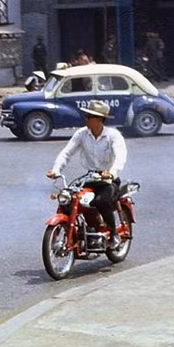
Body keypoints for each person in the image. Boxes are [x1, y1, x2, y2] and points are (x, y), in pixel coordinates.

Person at [46, 101, 127, 247]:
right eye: (87, 115)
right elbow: (67, 153)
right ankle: (88, 228)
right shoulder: (81, 134)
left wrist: (112, 173)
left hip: (108, 180)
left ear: (99, 119)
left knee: (101, 201)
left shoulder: (113, 135)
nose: (86, 118)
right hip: (89, 178)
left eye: (89, 116)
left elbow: (120, 156)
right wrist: (56, 170)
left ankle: (113, 234)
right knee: (68, 199)